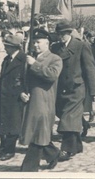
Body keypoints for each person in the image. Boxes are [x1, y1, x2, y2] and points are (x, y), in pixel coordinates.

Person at [51, 21, 95, 161]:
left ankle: (67, 149)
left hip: (76, 88)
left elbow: (90, 69)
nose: (60, 37)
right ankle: (80, 133)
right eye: (58, 34)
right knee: (63, 113)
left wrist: (94, 91)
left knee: (68, 118)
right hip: (60, 89)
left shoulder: (81, 46)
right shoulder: (55, 48)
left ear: (69, 33)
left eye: (62, 34)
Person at [20, 28, 63, 172]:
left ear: (47, 43)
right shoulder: (31, 57)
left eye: (38, 42)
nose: (35, 45)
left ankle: (28, 169)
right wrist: (23, 92)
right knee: (38, 132)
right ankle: (53, 153)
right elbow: (23, 79)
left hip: (44, 102)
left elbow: (51, 75)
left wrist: (35, 64)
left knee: (37, 133)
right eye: (34, 42)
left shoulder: (55, 58)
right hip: (31, 101)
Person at [0, 35, 26, 161]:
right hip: (5, 95)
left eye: (7, 46)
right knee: (6, 122)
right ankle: (6, 147)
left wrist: (23, 92)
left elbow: (26, 78)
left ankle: (10, 150)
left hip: (16, 96)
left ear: (14, 47)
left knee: (13, 124)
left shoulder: (23, 59)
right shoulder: (7, 59)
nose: (5, 48)